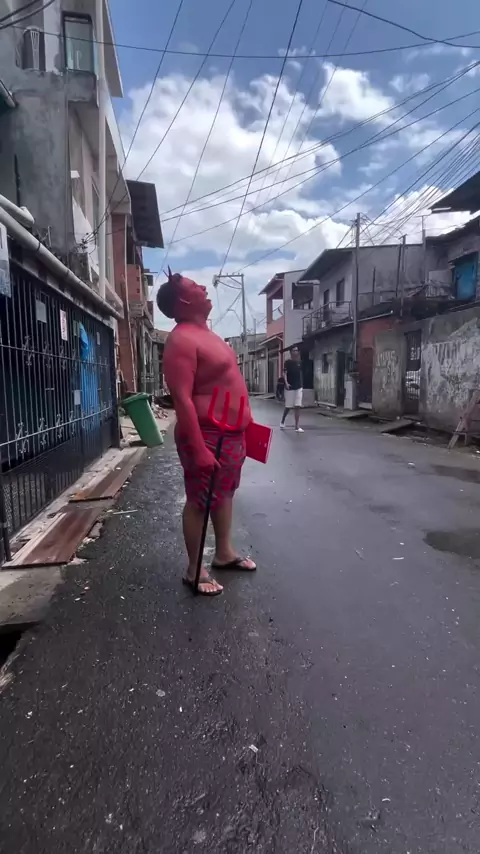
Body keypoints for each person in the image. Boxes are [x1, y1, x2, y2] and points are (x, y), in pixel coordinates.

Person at [157, 270, 256, 596]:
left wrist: (247, 422)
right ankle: (194, 569)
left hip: (231, 434)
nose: (202, 286)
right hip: (207, 434)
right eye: (194, 286)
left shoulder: (210, 336)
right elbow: (182, 397)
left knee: (224, 493)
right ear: (184, 301)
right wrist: (199, 448)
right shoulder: (181, 340)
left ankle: (224, 553)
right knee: (200, 499)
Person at [280, 345, 304, 432]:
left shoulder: (299, 362)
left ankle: (297, 426)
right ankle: (282, 421)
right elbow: (284, 373)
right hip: (290, 387)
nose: (296, 352)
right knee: (288, 406)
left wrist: (301, 384)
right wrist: (286, 383)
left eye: (297, 350)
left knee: (298, 406)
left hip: (298, 387)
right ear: (290, 352)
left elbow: (300, 373)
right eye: (294, 350)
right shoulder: (287, 362)